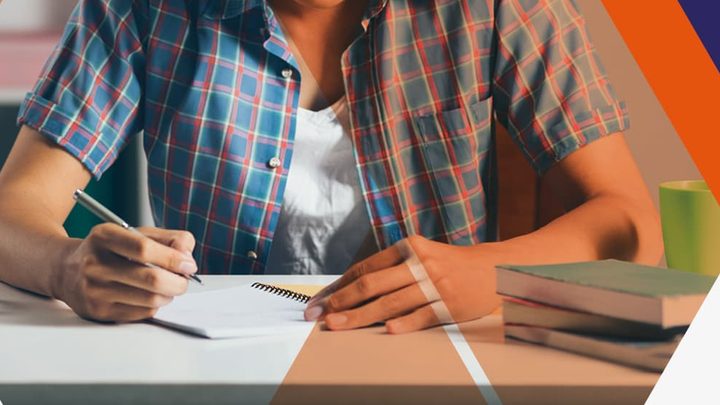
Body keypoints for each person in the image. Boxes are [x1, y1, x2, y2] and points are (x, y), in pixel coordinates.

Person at [0, 0, 662, 333]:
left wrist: (488, 275)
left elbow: (631, 223)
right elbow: (13, 212)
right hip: (211, 374)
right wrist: (66, 265)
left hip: (430, 367)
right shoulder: (143, 9)